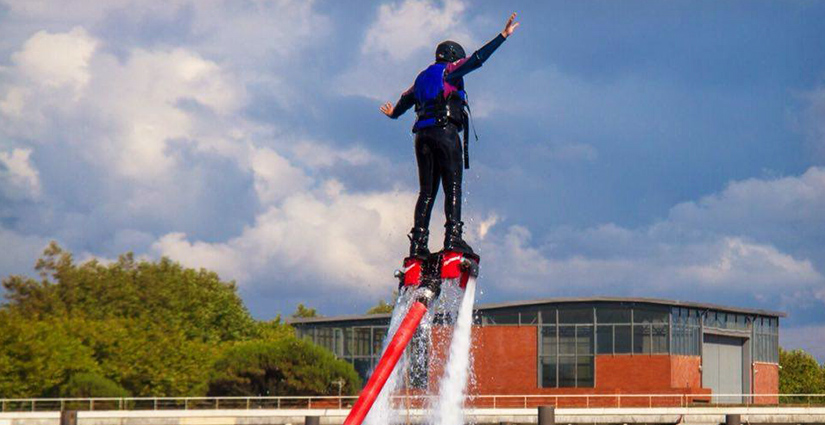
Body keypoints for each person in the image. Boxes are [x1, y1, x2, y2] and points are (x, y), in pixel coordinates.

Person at [381, 13, 520, 259]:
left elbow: (403, 101)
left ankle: (418, 244)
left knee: (426, 191)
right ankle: (453, 237)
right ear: (454, 56)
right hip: (444, 133)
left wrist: (393, 114)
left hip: (421, 138)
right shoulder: (450, 71)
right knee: (452, 186)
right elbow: (477, 59)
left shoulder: (421, 78)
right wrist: (503, 36)